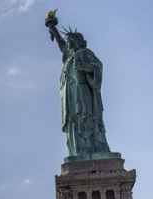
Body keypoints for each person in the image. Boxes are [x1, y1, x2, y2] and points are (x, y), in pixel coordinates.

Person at [46, 18, 112, 158]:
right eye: (67, 41)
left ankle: (94, 148)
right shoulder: (69, 57)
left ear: (79, 42)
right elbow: (61, 44)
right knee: (74, 121)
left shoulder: (85, 53)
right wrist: (53, 29)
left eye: (70, 40)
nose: (68, 43)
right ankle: (79, 150)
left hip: (83, 93)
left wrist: (84, 67)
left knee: (85, 118)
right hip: (70, 95)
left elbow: (98, 67)